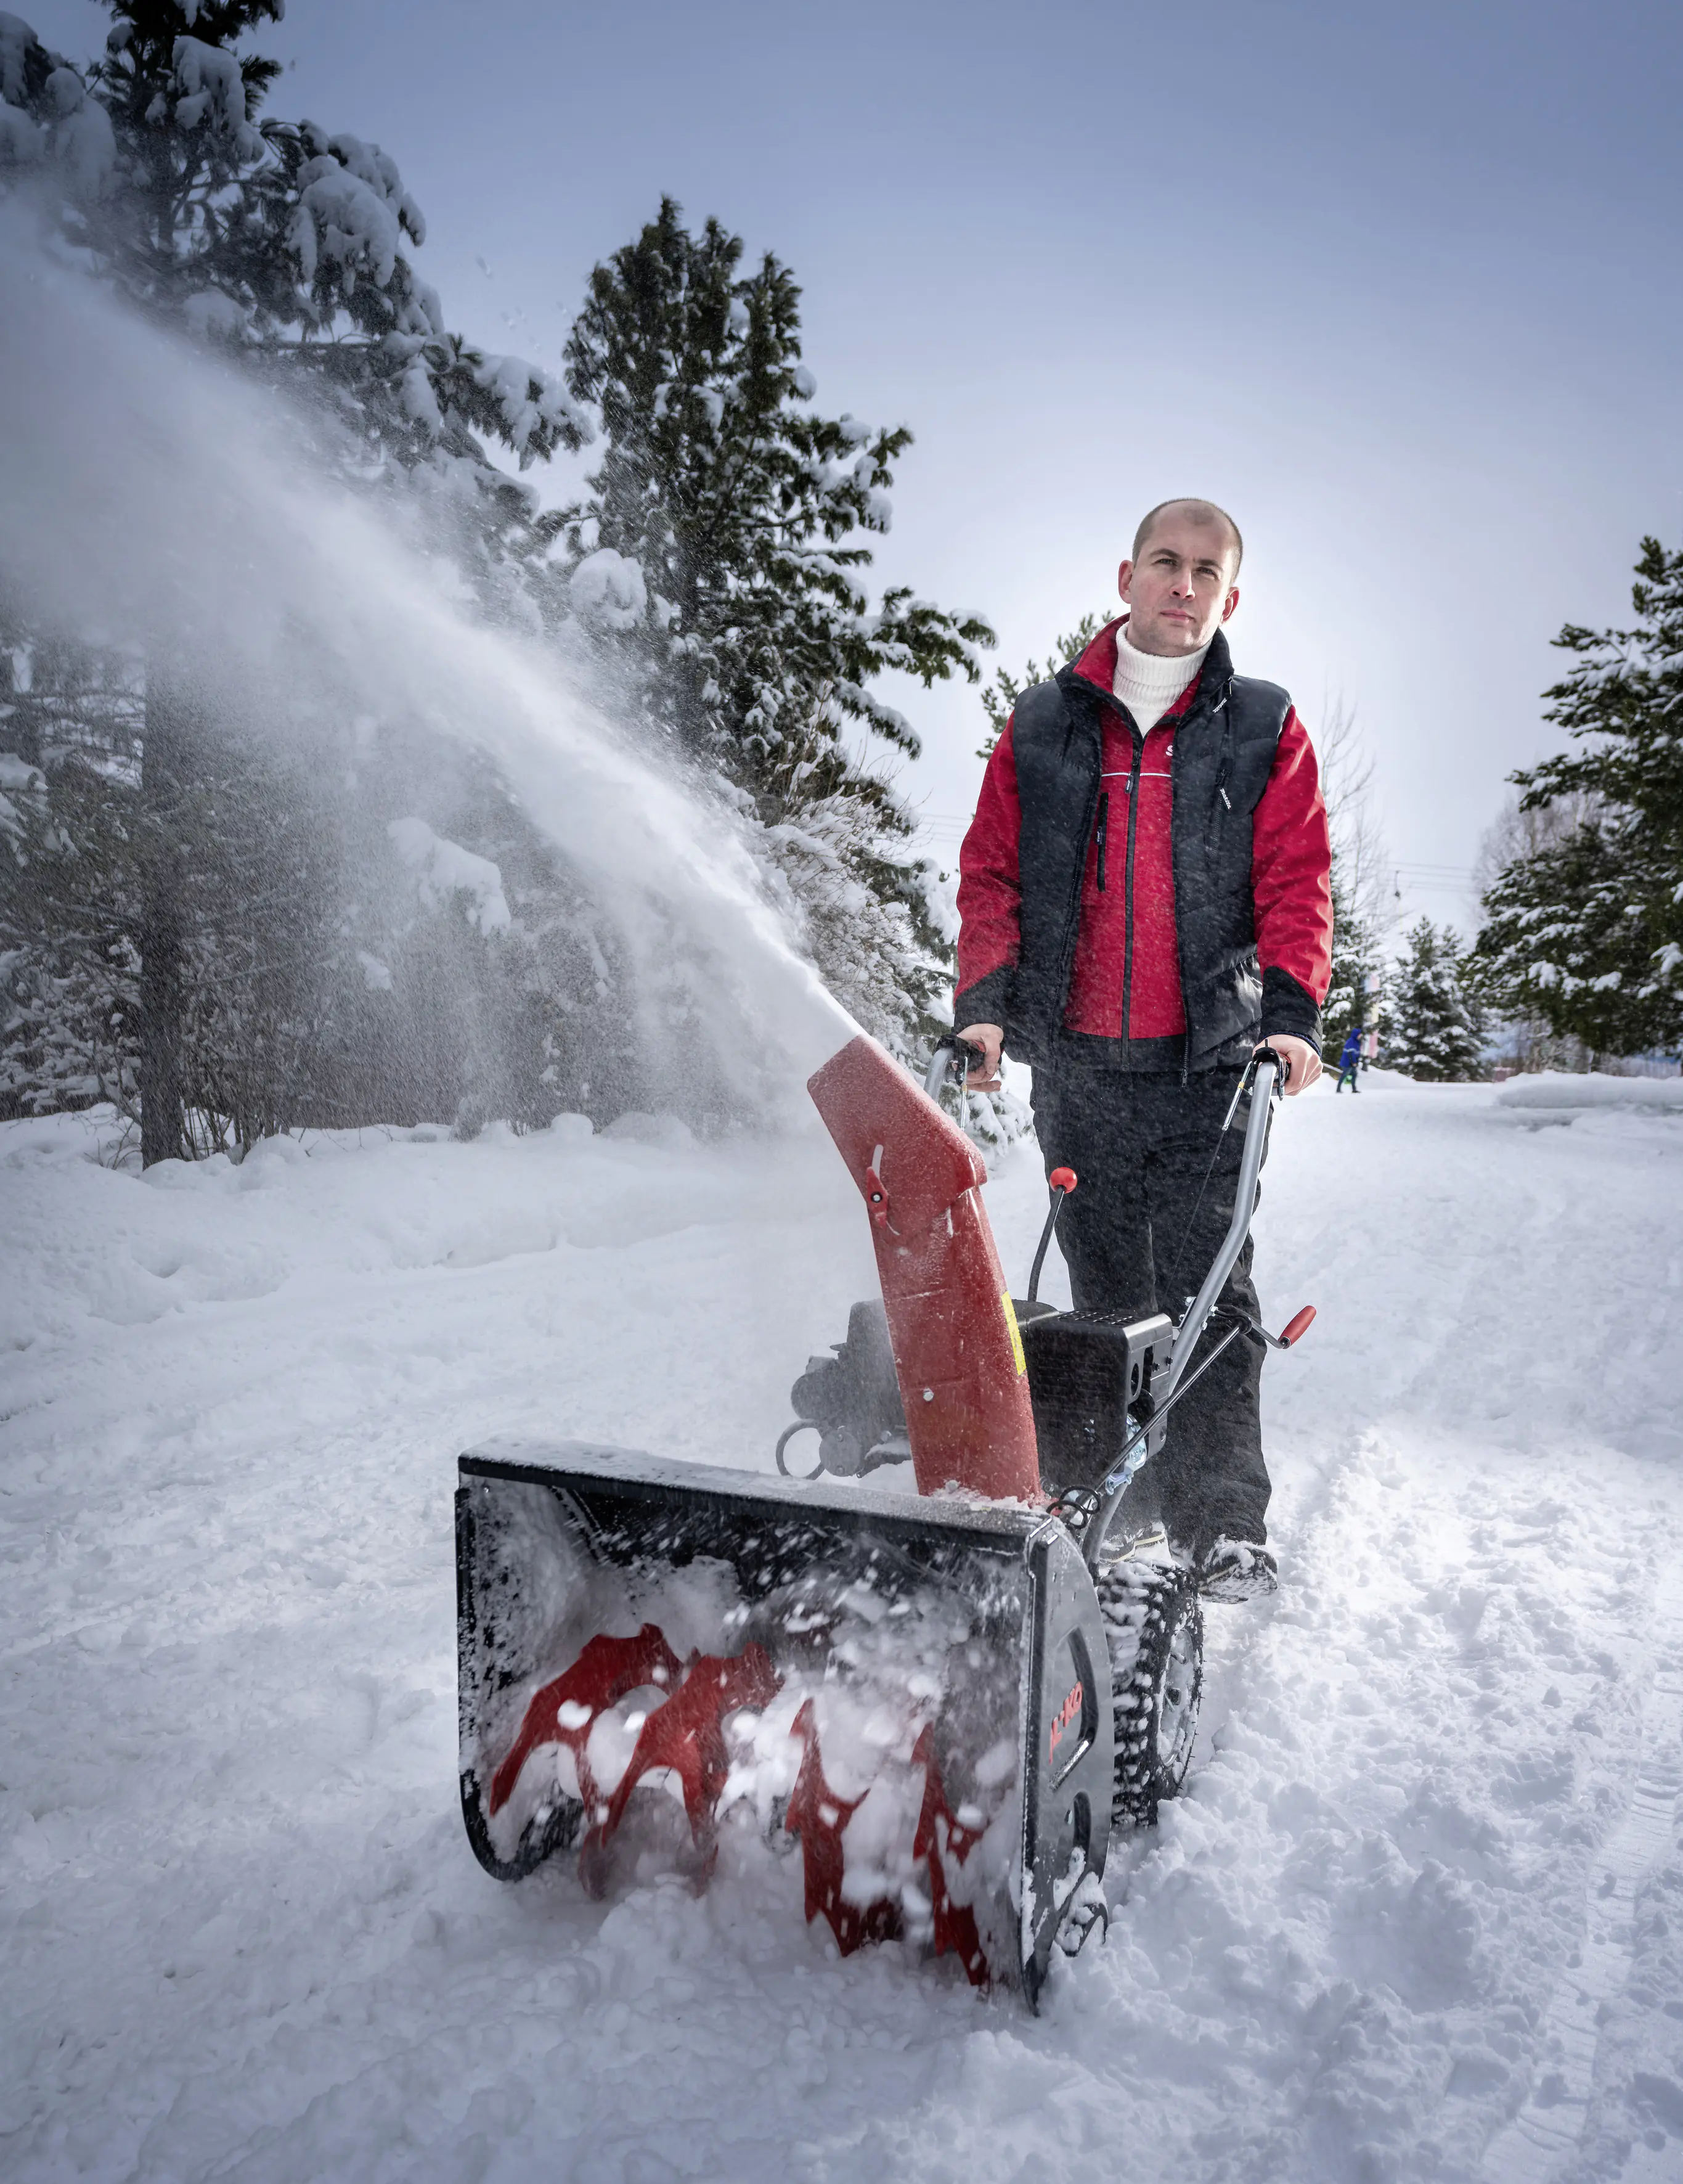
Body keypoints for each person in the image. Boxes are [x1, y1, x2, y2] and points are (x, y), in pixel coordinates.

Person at [953, 498, 1332, 1601]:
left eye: (1204, 570)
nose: (1182, 582)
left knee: (1212, 1291)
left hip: (1211, 1067)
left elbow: (1297, 880)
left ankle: (1221, 1524)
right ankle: (1108, 1504)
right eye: (1165, 561)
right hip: (1076, 1063)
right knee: (1104, 1297)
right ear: (1127, 576)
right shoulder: (1042, 722)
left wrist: (1291, 1017)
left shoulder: (1262, 722)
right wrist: (985, 1004)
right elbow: (991, 873)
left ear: (1229, 595)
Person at [1335, 1024, 1363, 1091]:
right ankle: (1338, 1089)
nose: (1360, 1036)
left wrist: (1357, 1061)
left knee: (1354, 1074)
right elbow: (1350, 1053)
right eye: (1359, 1035)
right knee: (1344, 1075)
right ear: (1356, 1034)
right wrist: (1353, 1062)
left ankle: (1354, 1089)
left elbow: (1357, 1053)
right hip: (1348, 1063)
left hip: (1353, 1063)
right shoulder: (1351, 1042)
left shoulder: (1357, 1042)